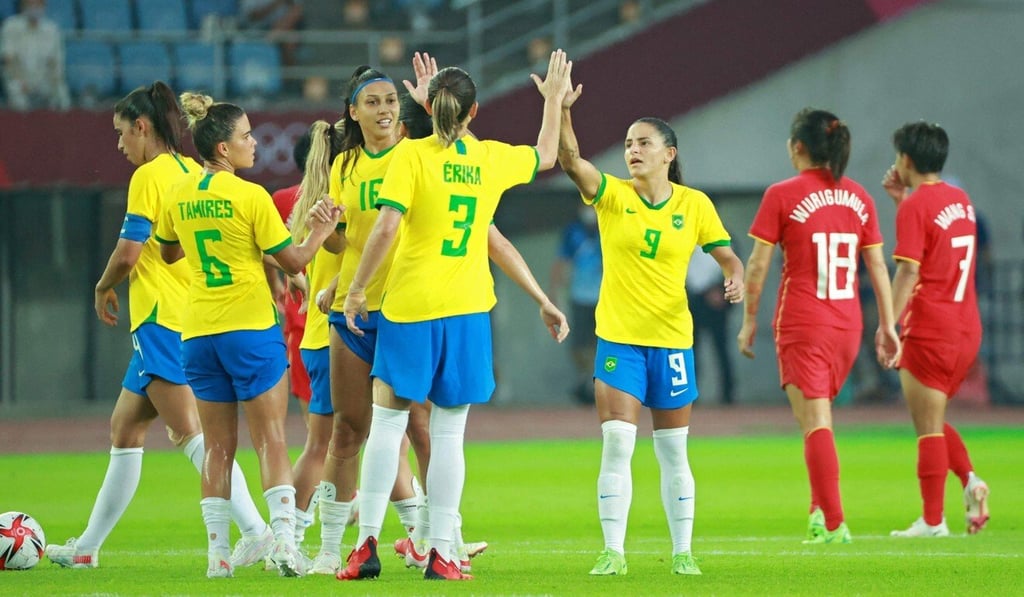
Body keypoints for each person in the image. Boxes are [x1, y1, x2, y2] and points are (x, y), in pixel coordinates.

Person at [338, 51, 572, 581]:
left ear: (429, 107)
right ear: (475, 112)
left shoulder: (410, 157)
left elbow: (386, 228)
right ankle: (442, 551)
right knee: (447, 436)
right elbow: (547, 153)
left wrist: (354, 291)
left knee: (388, 426)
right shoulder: (489, 157)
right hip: (467, 310)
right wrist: (553, 99)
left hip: (410, 307)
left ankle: (365, 545)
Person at [45, 81, 271, 571]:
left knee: (191, 434)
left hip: (160, 321)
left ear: (143, 127)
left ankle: (257, 531)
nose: (119, 143)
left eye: (121, 132)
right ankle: (86, 548)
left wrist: (103, 286)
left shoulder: (149, 176)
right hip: (187, 314)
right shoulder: (193, 169)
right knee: (125, 429)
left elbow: (130, 253)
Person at [558, 83, 745, 575]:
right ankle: (613, 552)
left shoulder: (694, 205)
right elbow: (571, 159)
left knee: (673, 450)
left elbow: (726, 255)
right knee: (619, 442)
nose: (632, 151)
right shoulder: (611, 195)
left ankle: (682, 552)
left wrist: (736, 277)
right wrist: (560, 109)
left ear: (669, 153)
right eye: (627, 143)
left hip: (672, 343)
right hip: (620, 339)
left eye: (643, 143)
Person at [155, 91, 339, 578]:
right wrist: (321, 229)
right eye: (245, 136)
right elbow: (296, 262)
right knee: (272, 440)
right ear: (222, 150)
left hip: (196, 332)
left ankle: (217, 557)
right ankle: (283, 545)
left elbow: (169, 253)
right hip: (250, 328)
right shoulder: (251, 196)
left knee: (217, 446)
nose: (253, 143)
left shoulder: (179, 193)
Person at [737, 108, 900, 545]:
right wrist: (887, 324)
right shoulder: (860, 197)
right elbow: (879, 268)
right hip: (847, 326)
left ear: (798, 147)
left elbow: (757, 265)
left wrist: (750, 318)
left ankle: (834, 522)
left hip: (803, 321)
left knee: (815, 422)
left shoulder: (782, 194)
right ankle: (817, 511)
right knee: (816, 420)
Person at [882, 121, 990, 537]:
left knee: (926, 426)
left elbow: (909, 269)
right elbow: (934, 247)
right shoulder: (960, 199)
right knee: (933, 415)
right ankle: (970, 481)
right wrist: (901, 201)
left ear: (906, 160)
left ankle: (932, 520)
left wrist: (887, 325)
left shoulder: (916, 206)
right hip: (966, 328)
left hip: (931, 327)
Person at [550, 205, 602, 404]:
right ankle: (588, 378)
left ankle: (598, 381)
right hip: (579, 296)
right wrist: (553, 291)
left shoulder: (608, 228)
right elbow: (561, 260)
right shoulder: (573, 232)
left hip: (605, 297)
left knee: (604, 342)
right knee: (578, 345)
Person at [686, 247, 736, 405]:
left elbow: (733, 265)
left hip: (717, 301)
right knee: (690, 350)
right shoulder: (685, 233)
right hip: (692, 300)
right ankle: (690, 395)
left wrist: (721, 290)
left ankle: (727, 395)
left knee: (721, 349)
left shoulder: (724, 237)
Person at [1, 0, 70, 111]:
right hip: (19, 80)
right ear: (23, 6)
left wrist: (54, 85)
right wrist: (21, 82)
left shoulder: (52, 29)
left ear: (44, 6)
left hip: (44, 82)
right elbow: (8, 61)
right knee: (17, 95)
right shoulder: (11, 26)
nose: (35, 8)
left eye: (38, 4)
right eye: (31, 4)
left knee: (62, 97)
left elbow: (56, 64)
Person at [239, 0, 303, 65]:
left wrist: (278, 30)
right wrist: (277, 3)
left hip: (283, 28)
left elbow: (297, 9)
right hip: (255, 29)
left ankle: (291, 73)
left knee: (290, 38)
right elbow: (252, 16)